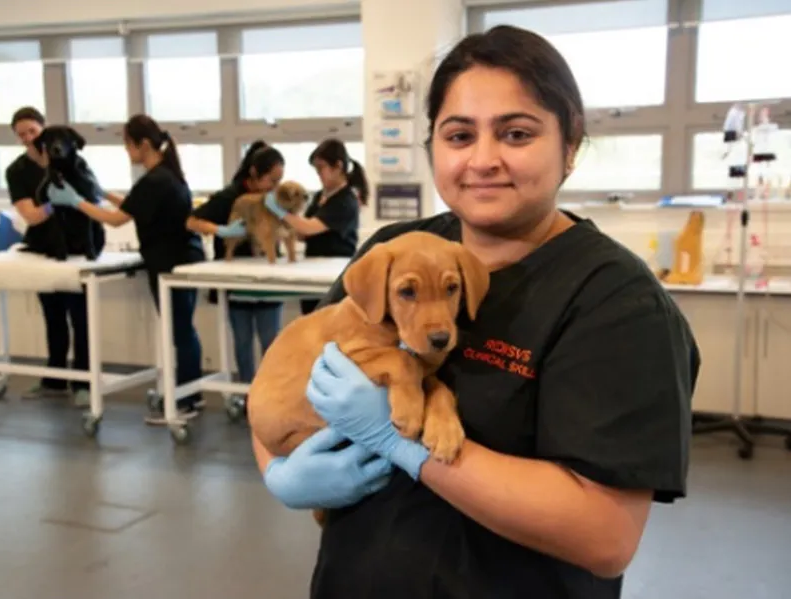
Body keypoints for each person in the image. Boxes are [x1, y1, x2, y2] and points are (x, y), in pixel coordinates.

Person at [250, 25, 700, 599]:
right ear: (432, 146)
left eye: (516, 133)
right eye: (459, 135)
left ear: (571, 145)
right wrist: (279, 473)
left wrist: (405, 447)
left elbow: (605, 537)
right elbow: (284, 378)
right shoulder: (393, 252)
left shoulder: (618, 304)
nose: (483, 160)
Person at [46, 113, 207, 423]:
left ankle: (185, 400)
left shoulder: (156, 180)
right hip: (183, 257)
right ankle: (190, 394)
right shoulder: (166, 175)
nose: (126, 151)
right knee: (183, 330)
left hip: (170, 262)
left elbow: (116, 219)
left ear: (143, 144)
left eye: (127, 144)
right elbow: (131, 205)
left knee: (180, 331)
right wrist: (99, 192)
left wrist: (76, 201)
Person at [5, 106, 101, 408]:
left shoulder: (76, 163)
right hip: (45, 249)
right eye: (22, 135)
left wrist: (77, 203)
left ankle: (83, 382)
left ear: (44, 130)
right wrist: (51, 206)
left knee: (81, 317)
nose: (27, 139)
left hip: (78, 252)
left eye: (32, 132)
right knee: (53, 316)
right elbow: (31, 216)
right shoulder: (18, 171)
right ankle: (55, 378)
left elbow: (93, 199)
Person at [186, 141, 287, 412]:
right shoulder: (231, 196)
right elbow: (192, 221)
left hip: (266, 279)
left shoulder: (275, 199)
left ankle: (271, 397)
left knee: (271, 340)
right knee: (242, 341)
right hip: (236, 278)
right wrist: (221, 231)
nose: (275, 187)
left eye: (280, 181)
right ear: (254, 174)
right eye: (271, 180)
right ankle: (247, 395)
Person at [260, 138, 368, 315]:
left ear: (338, 166)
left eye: (321, 169)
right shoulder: (319, 196)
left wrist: (281, 212)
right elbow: (303, 232)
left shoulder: (346, 200)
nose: (318, 174)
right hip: (313, 270)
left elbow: (308, 227)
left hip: (333, 274)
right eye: (316, 170)